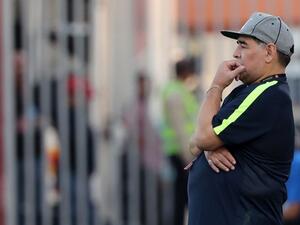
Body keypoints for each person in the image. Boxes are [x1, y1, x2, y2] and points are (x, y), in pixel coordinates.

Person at [187, 12, 295, 225]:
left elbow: (202, 136)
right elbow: (195, 142)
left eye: (243, 45)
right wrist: (209, 149)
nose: (235, 53)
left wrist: (216, 86)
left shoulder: (268, 93)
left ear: (269, 52)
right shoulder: (246, 91)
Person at [161, 58, 198, 225]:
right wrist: (188, 157)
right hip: (180, 152)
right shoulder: (175, 93)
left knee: (182, 195)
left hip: (179, 150)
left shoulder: (177, 90)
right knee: (183, 196)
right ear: (184, 72)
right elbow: (180, 128)